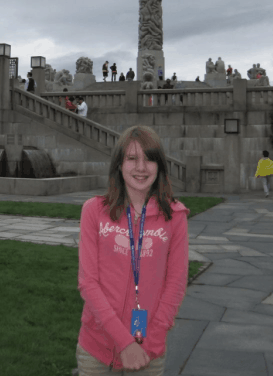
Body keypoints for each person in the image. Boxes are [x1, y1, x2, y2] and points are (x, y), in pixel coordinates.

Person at [76, 125, 189, 374]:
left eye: (149, 159)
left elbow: (176, 284)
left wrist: (150, 341)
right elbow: (88, 282)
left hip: (149, 349)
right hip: (96, 349)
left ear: (159, 166)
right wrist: (124, 342)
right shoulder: (94, 211)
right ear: (119, 164)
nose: (141, 167)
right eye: (132, 158)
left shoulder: (175, 216)